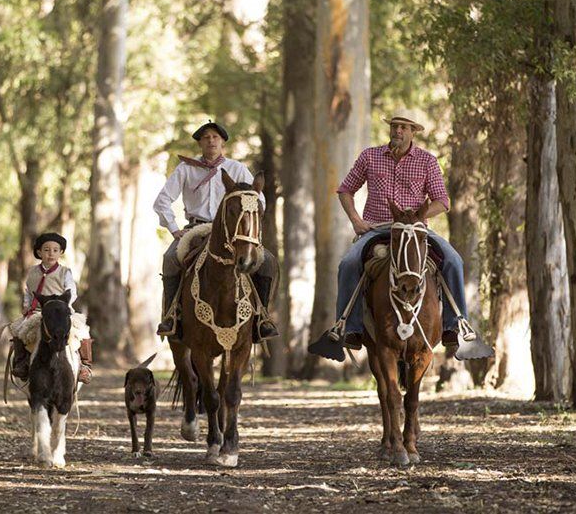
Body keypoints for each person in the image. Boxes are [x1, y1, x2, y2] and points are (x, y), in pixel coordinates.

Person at [309, 111, 494, 361]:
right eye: (395, 126)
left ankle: (455, 328)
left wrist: (416, 217)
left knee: (454, 261)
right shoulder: (370, 156)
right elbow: (345, 190)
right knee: (348, 264)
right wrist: (356, 221)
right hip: (378, 228)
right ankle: (347, 329)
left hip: (416, 231)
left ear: (413, 132)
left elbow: (442, 201)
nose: (398, 131)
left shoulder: (427, 161)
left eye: (404, 127)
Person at [153, 120, 279, 343]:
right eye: (206, 138)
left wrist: (249, 227)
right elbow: (162, 201)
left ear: (222, 143)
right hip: (196, 227)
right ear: (200, 143)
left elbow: (258, 200)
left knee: (267, 261)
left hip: (232, 232)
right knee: (171, 258)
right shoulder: (186, 169)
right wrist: (174, 230)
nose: (211, 141)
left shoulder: (237, 169)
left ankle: (262, 318)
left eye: (215, 137)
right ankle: (172, 316)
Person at [9, 232, 94, 383]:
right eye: (46, 250)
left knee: (82, 330)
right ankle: (22, 363)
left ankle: (85, 367)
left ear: (61, 252)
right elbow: (29, 292)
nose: (51, 253)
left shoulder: (65, 272)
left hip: (61, 311)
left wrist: (63, 306)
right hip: (38, 312)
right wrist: (27, 306)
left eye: (55, 250)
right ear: (39, 252)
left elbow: (71, 291)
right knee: (19, 329)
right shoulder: (32, 273)